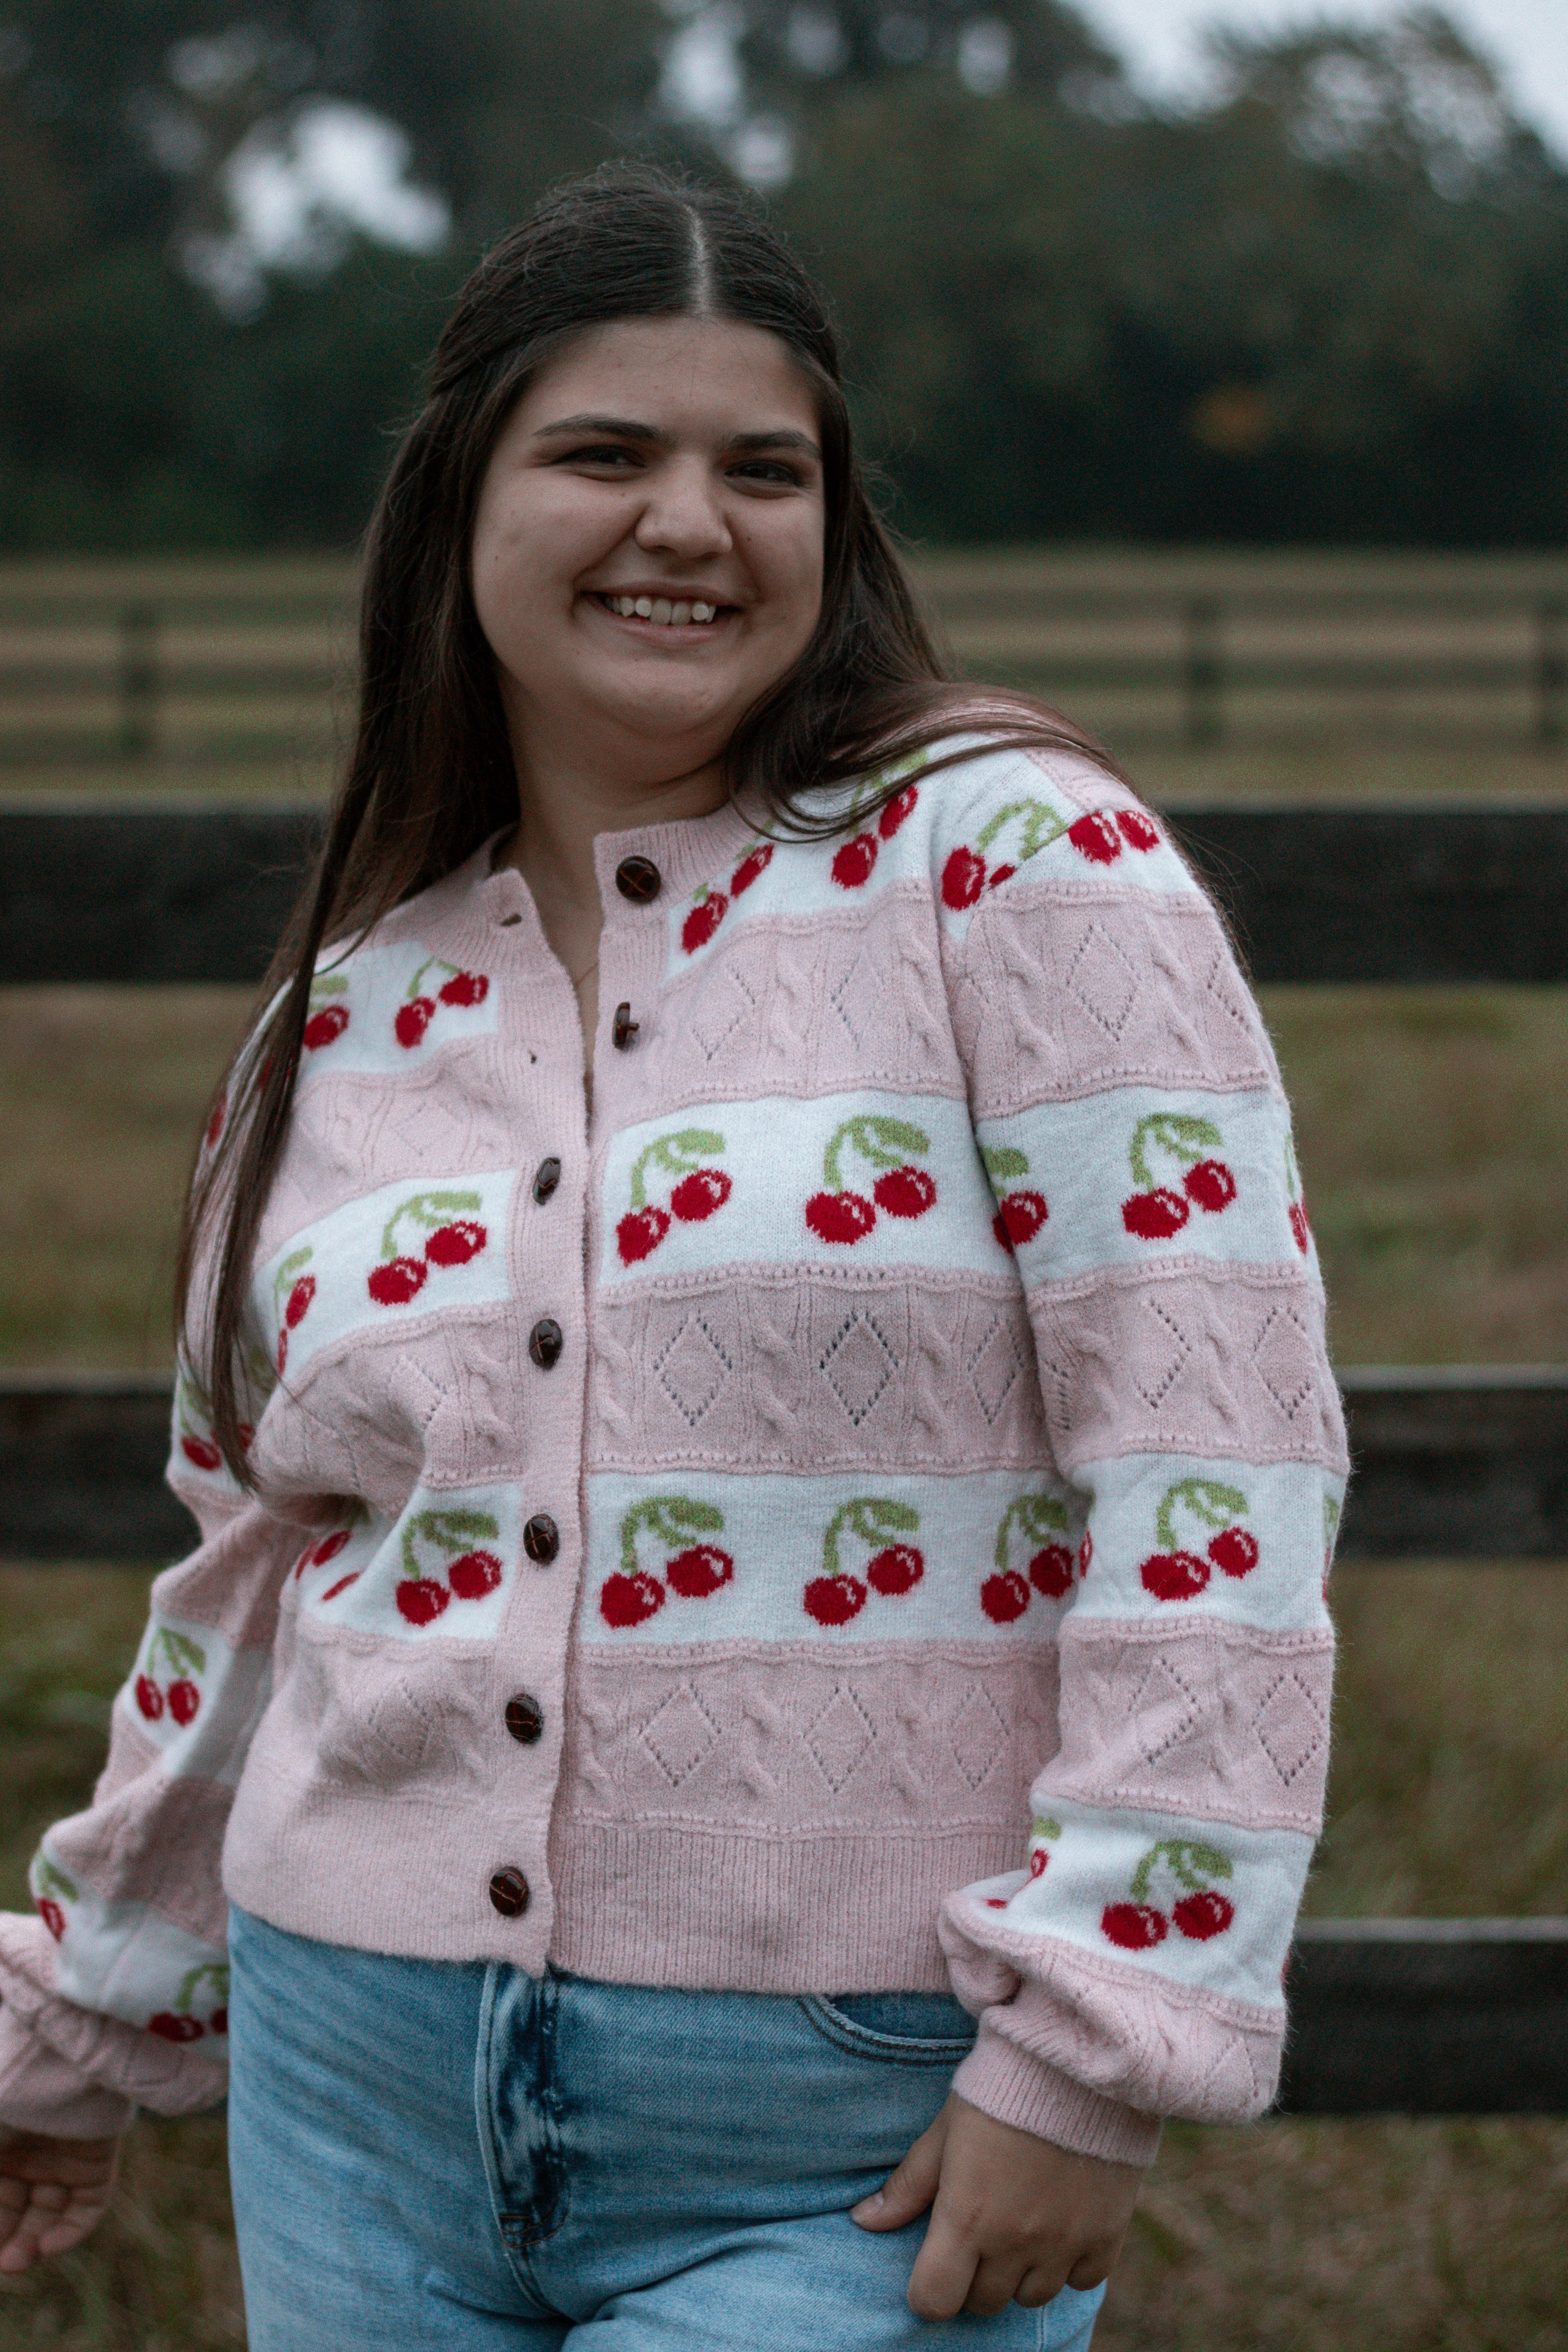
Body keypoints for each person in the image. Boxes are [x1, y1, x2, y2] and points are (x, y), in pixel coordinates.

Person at [0, 165, 1345, 2348]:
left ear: (837, 521)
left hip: (843, 2127)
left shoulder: (1014, 864)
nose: (689, 524)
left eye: (765, 470)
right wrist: (84, 2019)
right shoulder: (347, 1012)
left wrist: (1105, 2043)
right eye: (605, 453)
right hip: (353, 2088)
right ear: (459, 504)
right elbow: (257, 1572)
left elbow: (1217, 1469)